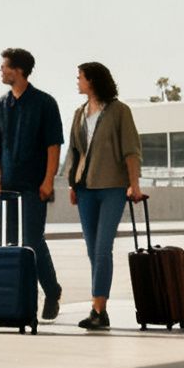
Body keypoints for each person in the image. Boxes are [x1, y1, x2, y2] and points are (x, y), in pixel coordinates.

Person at [65, 62, 143, 330]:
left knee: (102, 249)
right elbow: (74, 152)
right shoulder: (79, 113)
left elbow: (131, 149)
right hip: (85, 189)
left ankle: (98, 309)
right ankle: (101, 310)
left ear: (93, 81)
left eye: (81, 77)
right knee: (91, 249)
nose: (77, 81)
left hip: (112, 187)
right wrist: (72, 185)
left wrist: (134, 184)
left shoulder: (120, 111)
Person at [0, 47, 64, 320]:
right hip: (7, 187)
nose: (1, 71)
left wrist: (48, 181)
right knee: (9, 243)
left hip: (35, 186)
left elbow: (53, 145)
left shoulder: (45, 103)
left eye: (4, 67)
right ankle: (19, 302)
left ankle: (51, 291)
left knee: (32, 241)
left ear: (18, 70)